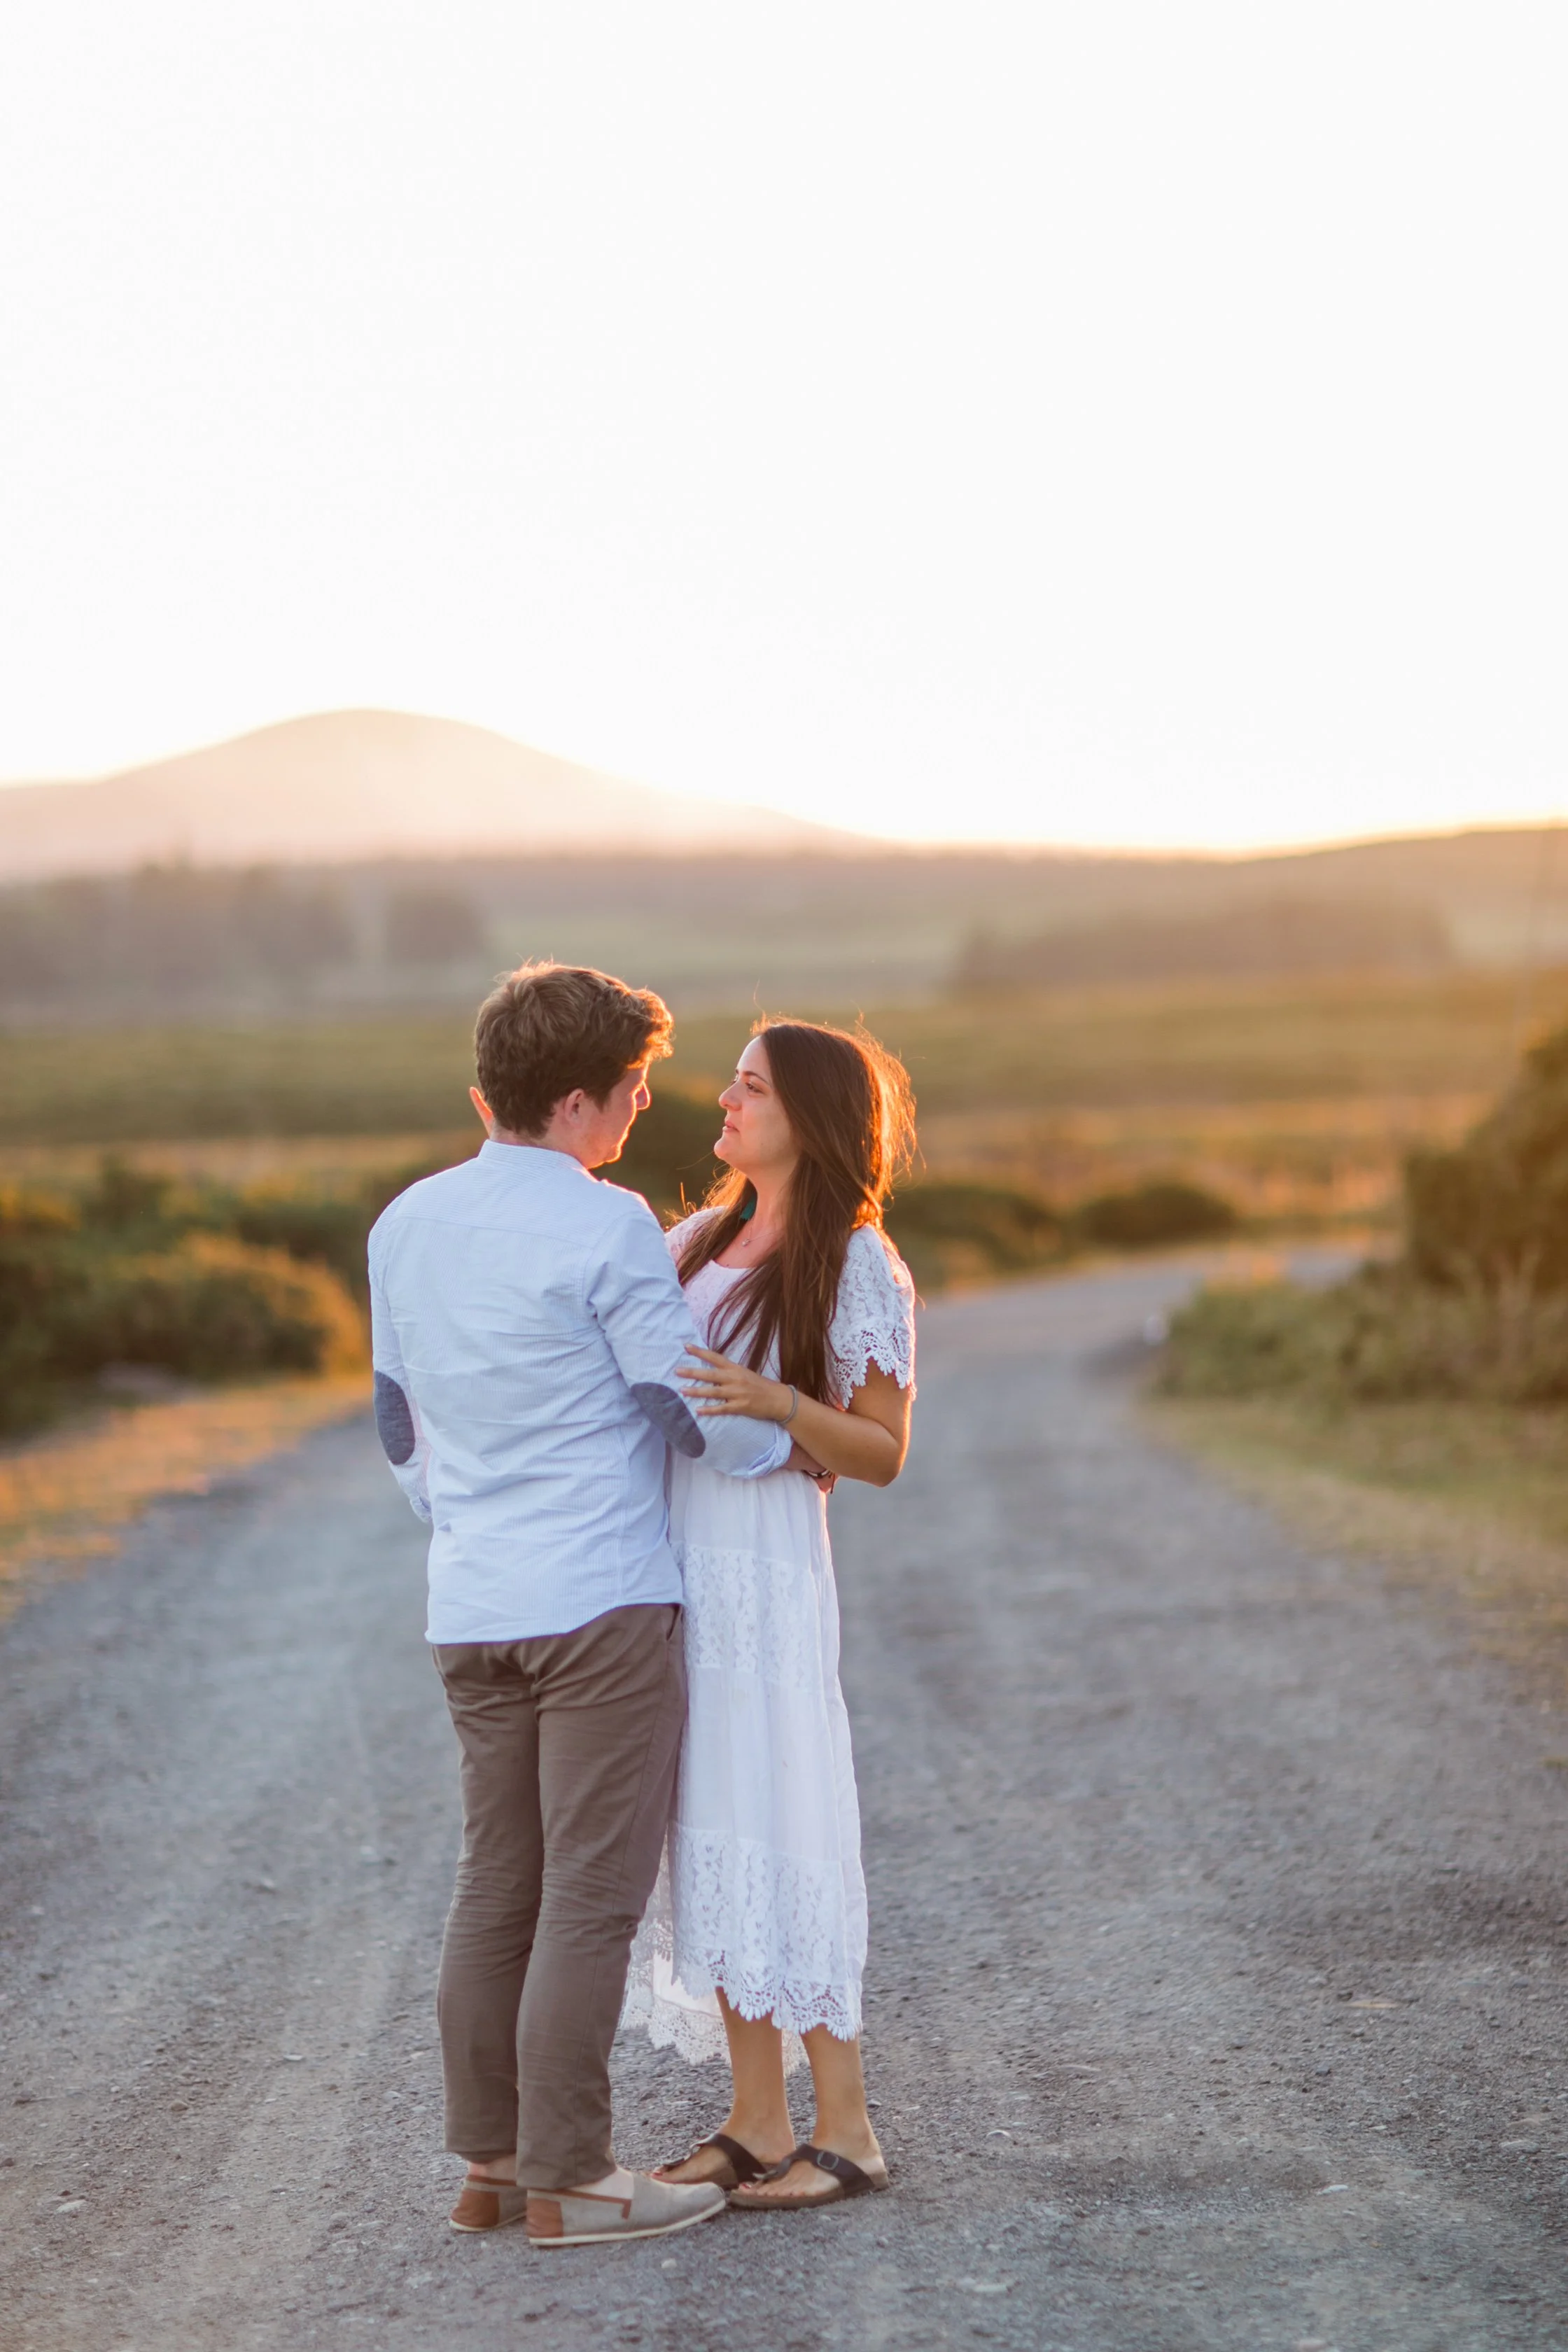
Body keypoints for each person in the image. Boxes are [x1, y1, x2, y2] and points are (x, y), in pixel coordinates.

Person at [368, 962, 806, 2249]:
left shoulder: (405, 1222)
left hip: (471, 1604)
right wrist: (793, 1445)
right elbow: (681, 1402)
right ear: (576, 1103)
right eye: (632, 1090)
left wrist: (462, 1522)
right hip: (600, 1605)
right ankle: (575, 2176)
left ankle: (495, 2167)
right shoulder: (605, 1221)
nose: (641, 1110)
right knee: (590, 1896)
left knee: (497, 1879)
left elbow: (398, 1419)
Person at [622, 1018, 916, 2210]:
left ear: (810, 1117)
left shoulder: (856, 1261)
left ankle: (847, 2131)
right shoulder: (694, 1241)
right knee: (712, 1822)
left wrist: (780, 1403)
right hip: (680, 1565)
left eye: (752, 1086)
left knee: (786, 1814)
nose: (727, 1100)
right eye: (733, 1082)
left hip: (769, 1573)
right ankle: (755, 2120)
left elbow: (884, 1451)